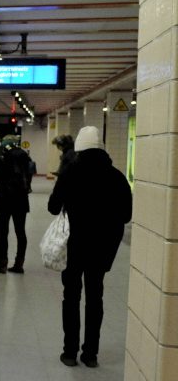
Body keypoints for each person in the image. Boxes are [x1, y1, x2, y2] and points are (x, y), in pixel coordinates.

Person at [47, 125, 132, 368]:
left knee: (71, 296)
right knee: (95, 296)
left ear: (79, 149)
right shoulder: (117, 177)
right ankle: (90, 354)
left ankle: (70, 352)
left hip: (75, 246)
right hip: (103, 249)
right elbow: (126, 216)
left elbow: (53, 207)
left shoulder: (70, 173)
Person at [0, 137, 32, 273]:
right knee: (21, 232)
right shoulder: (26, 159)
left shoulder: (3, 159)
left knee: (2, 233)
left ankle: (3, 264)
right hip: (21, 200)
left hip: (3, 200)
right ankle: (19, 264)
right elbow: (29, 178)